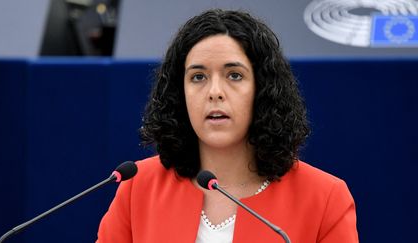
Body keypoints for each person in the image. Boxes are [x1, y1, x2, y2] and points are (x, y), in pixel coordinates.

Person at [96, 9, 358, 243]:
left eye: (234, 75)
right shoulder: (138, 187)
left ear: (262, 89)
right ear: (180, 93)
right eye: (198, 77)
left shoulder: (324, 198)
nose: (215, 92)